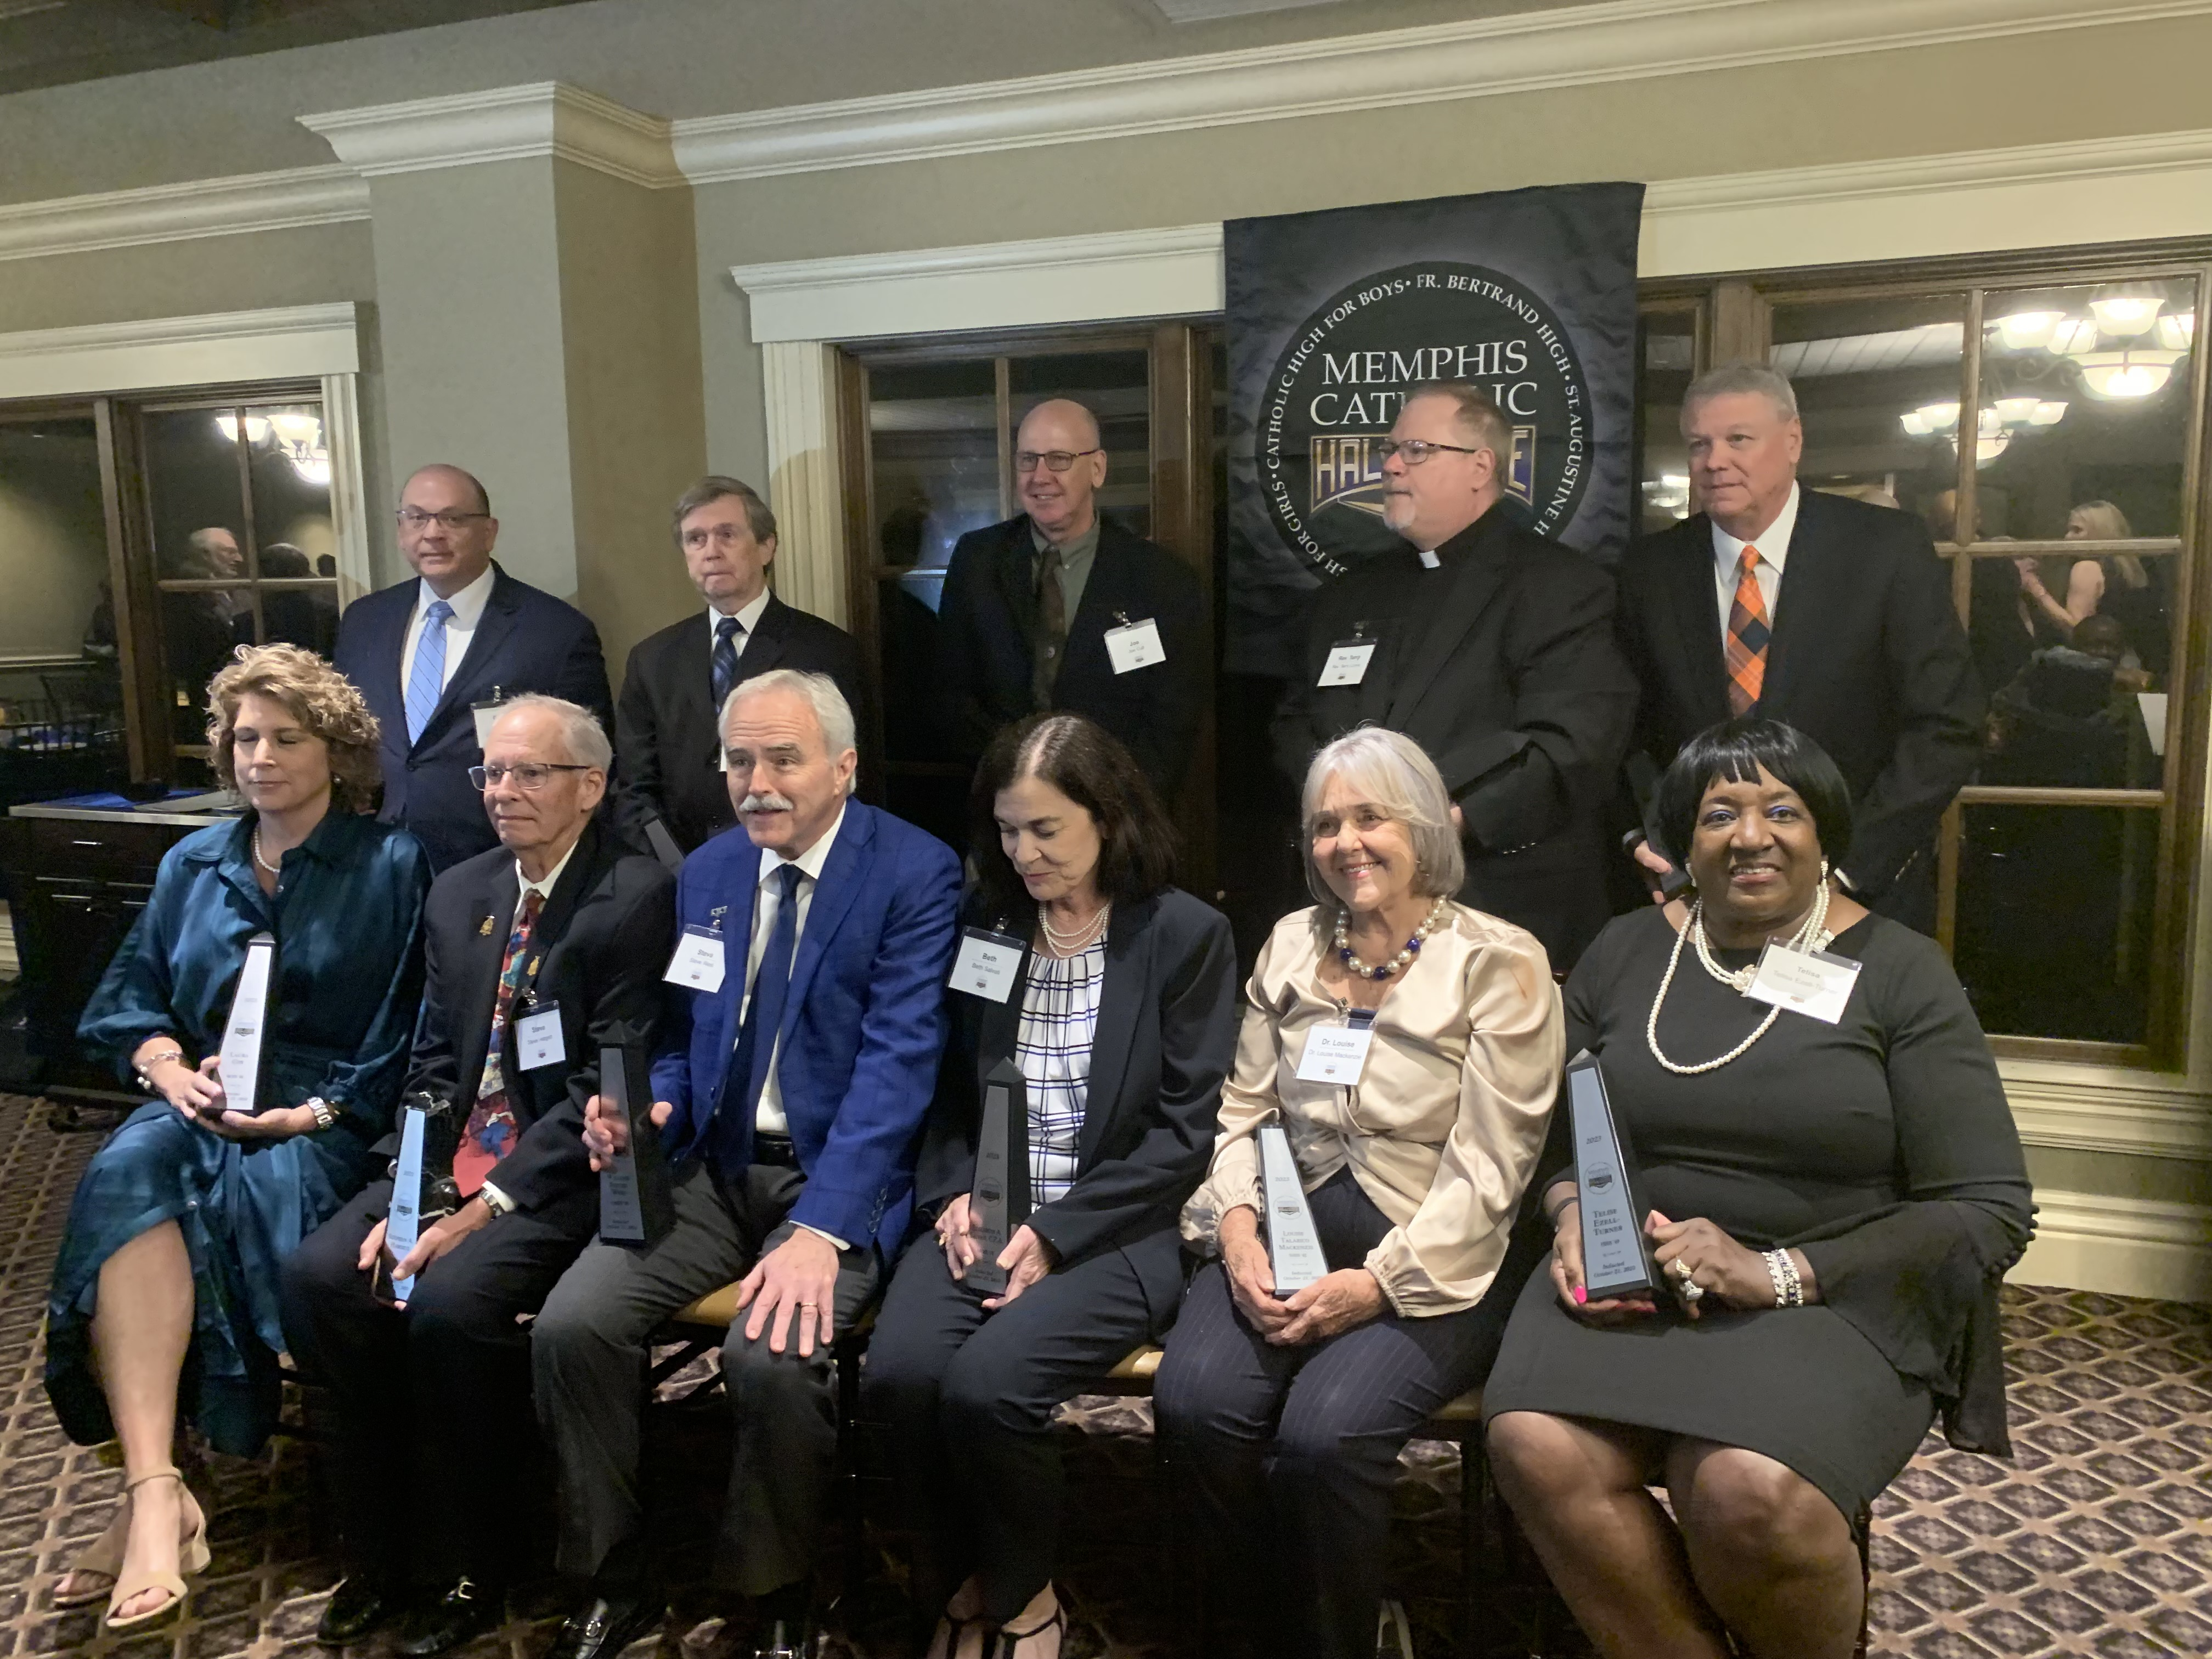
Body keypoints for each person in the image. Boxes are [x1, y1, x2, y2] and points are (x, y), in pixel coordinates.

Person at [1482, 718, 2034, 1659]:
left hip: (1828, 1289)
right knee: (1536, 1440)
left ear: (1824, 833)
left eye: (1782, 809)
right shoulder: (1621, 952)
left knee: (1742, 1485)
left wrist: (1775, 1270)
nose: (1749, 834)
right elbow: (1548, 1132)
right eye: (1717, 813)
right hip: (1629, 1279)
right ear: (1679, 843)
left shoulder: (1901, 972)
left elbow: (1987, 1205)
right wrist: (1573, 1210)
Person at [531, 669, 962, 1659]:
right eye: (738, 759)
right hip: (716, 1167)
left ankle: (777, 1594)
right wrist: (654, 1101)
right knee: (573, 1323)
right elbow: (688, 1026)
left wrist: (822, 1229)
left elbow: (900, 1066)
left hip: (836, 1177)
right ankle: (614, 1573)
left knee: (767, 1353)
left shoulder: (913, 869)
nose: (755, 780)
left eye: (783, 757)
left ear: (843, 766)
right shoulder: (713, 870)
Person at [277, 696, 675, 1655]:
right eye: (491, 773)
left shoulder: (633, 897)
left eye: (529, 772)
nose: (503, 791)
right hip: (449, 1162)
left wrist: (478, 1204)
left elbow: (603, 1077)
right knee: (323, 1276)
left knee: (451, 1300)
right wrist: (417, 1196)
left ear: (589, 785)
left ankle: (474, 1559)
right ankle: (380, 1552)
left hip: (561, 1173)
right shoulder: (462, 890)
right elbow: (430, 1064)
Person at [1154, 726, 1561, 1659]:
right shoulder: (1292, 943)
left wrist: (1375, 1284)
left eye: (1369, 815)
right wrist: (1241, 1228)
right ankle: (1269, 1615)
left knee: (1324, 1435)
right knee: (1193, 1399)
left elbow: (1492, 1170)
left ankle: (1342, 1634)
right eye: (1325, 822)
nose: (1346, 841)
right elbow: (1243, 1110)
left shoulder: (1498, 962)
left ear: (1421, 824)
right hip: (1289, 1222)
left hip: (1436, 1248)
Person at [44, 645, 430, 1631]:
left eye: (285, 737)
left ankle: (158, 1497)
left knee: (235, 1200)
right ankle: (155, 1487)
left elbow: (406, 1023)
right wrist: (169, 1068)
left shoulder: (389, 861)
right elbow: (132, 997)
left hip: (327, 1110)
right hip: (204, 1091)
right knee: (128, 1172)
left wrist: (316, 1112)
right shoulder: (193, 862)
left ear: (335, 750)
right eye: (244, 736)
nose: (260, 756)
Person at [865, 713, 1238, 1659]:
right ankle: (959, 1576)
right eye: (1006, 829)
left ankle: (1026, 1594)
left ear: (1107, 819)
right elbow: (946, 1089)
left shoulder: (1184, 934)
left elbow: (1183, 1130)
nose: (1021, 852)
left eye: (1045, 830)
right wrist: (954, 1189)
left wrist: (1057, 1230)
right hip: (984, 1206)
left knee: (989, 1386)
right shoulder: (985, 923)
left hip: (1118, 1226)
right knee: (901, 1374)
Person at [1269, 382, 1636, 970]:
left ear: (1480, 466)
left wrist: (1429, 831)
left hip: (1496, 905)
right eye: (1390, 449)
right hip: (1349, 913)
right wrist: (1345, 823)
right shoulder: (1344, 599)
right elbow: (1294, 724)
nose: (1389, 465)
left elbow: (1572, 744)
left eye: (1415, 450)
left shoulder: (1559, 587)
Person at [1616, 363, 1984, 933]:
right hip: (1700, 892)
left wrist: (1848, 871)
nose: (1715, 461)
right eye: (1699, 444)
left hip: (1855, 893)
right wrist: (1652, 838)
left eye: (1738, 439)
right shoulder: (1650, 569)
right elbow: (1628, 730)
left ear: (1792, 442)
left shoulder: (1886, 549)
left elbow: (1947, 725)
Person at [334, 464, 613, 873]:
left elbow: (591, 765)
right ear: (401, 529)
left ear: (489, 532)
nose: (432, 533)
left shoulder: (555, 633)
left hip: (494, 866)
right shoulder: (364, 621)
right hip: (373, 863)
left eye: (452, 518)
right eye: (417, 518)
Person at [936, 398, 1206, 802]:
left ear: (1097, 469)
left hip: (1115, 817)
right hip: (1003, 807)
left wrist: (1105, 808)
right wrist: (1013, 785)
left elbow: (1171, 722)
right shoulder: (977, 560)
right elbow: (950, 693)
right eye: (1028, 460)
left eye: (1059, 459)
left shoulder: (1161, 580)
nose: (1040, 476)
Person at [616, 476, 864, 857]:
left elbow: (850, 781)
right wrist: (673, 868)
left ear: (767, 547)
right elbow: (635, 790)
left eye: (727, 535)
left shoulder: (826, 651)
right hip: (678, 868)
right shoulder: (653, 659)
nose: (711, 552)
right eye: (695, 539)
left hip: (798, 859)